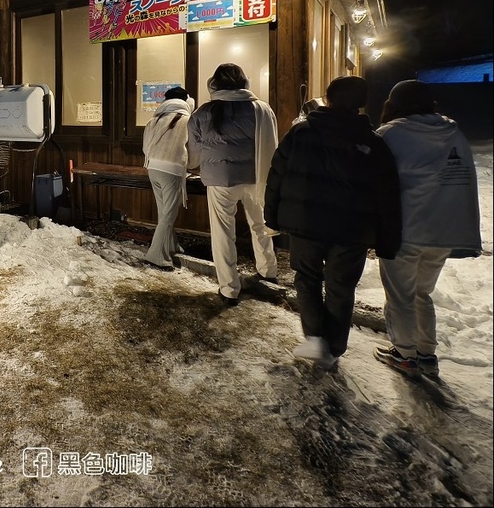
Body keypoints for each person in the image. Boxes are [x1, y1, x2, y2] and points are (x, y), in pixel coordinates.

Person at [264, 76, 402, 369]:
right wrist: (388, 240)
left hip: (305, 223)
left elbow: (276, 175)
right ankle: (334, 346)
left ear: (327, 98)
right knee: (341, 286)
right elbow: (388, 195)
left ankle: (314, 337)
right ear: (362, 103)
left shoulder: (301, 133)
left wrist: (271, 215)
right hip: (352, 231)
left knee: (307, 278)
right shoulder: (373, 142)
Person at [372, 80, 482, 378]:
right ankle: (426, 354)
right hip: (444, 230)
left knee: (401, 296)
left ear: (394, 104)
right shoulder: (452, 133)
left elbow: (373, 180)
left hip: (406, 230)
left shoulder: (391, 134)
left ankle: (405, 354)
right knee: (422, 293)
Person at [188, 63, 279, 305]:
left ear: (214, 83)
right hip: (256, 178)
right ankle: (268, 271)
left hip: (220, 181)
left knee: (222, 234)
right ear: (244, 82)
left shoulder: (202, 113)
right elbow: (273, 147)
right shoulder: (261, 109)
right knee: (260, 225)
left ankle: (229, 288)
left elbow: (193, 157)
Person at [141, 86, 194, 271]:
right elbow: (193, 149)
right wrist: (188, 164)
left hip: (152, 167)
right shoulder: (187, 120)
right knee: (168, 214)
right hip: (172, 169)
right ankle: (157, 256)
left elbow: (145, 147)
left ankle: (171, 246)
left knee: (164, 211)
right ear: (186, 101)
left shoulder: (154, 119)